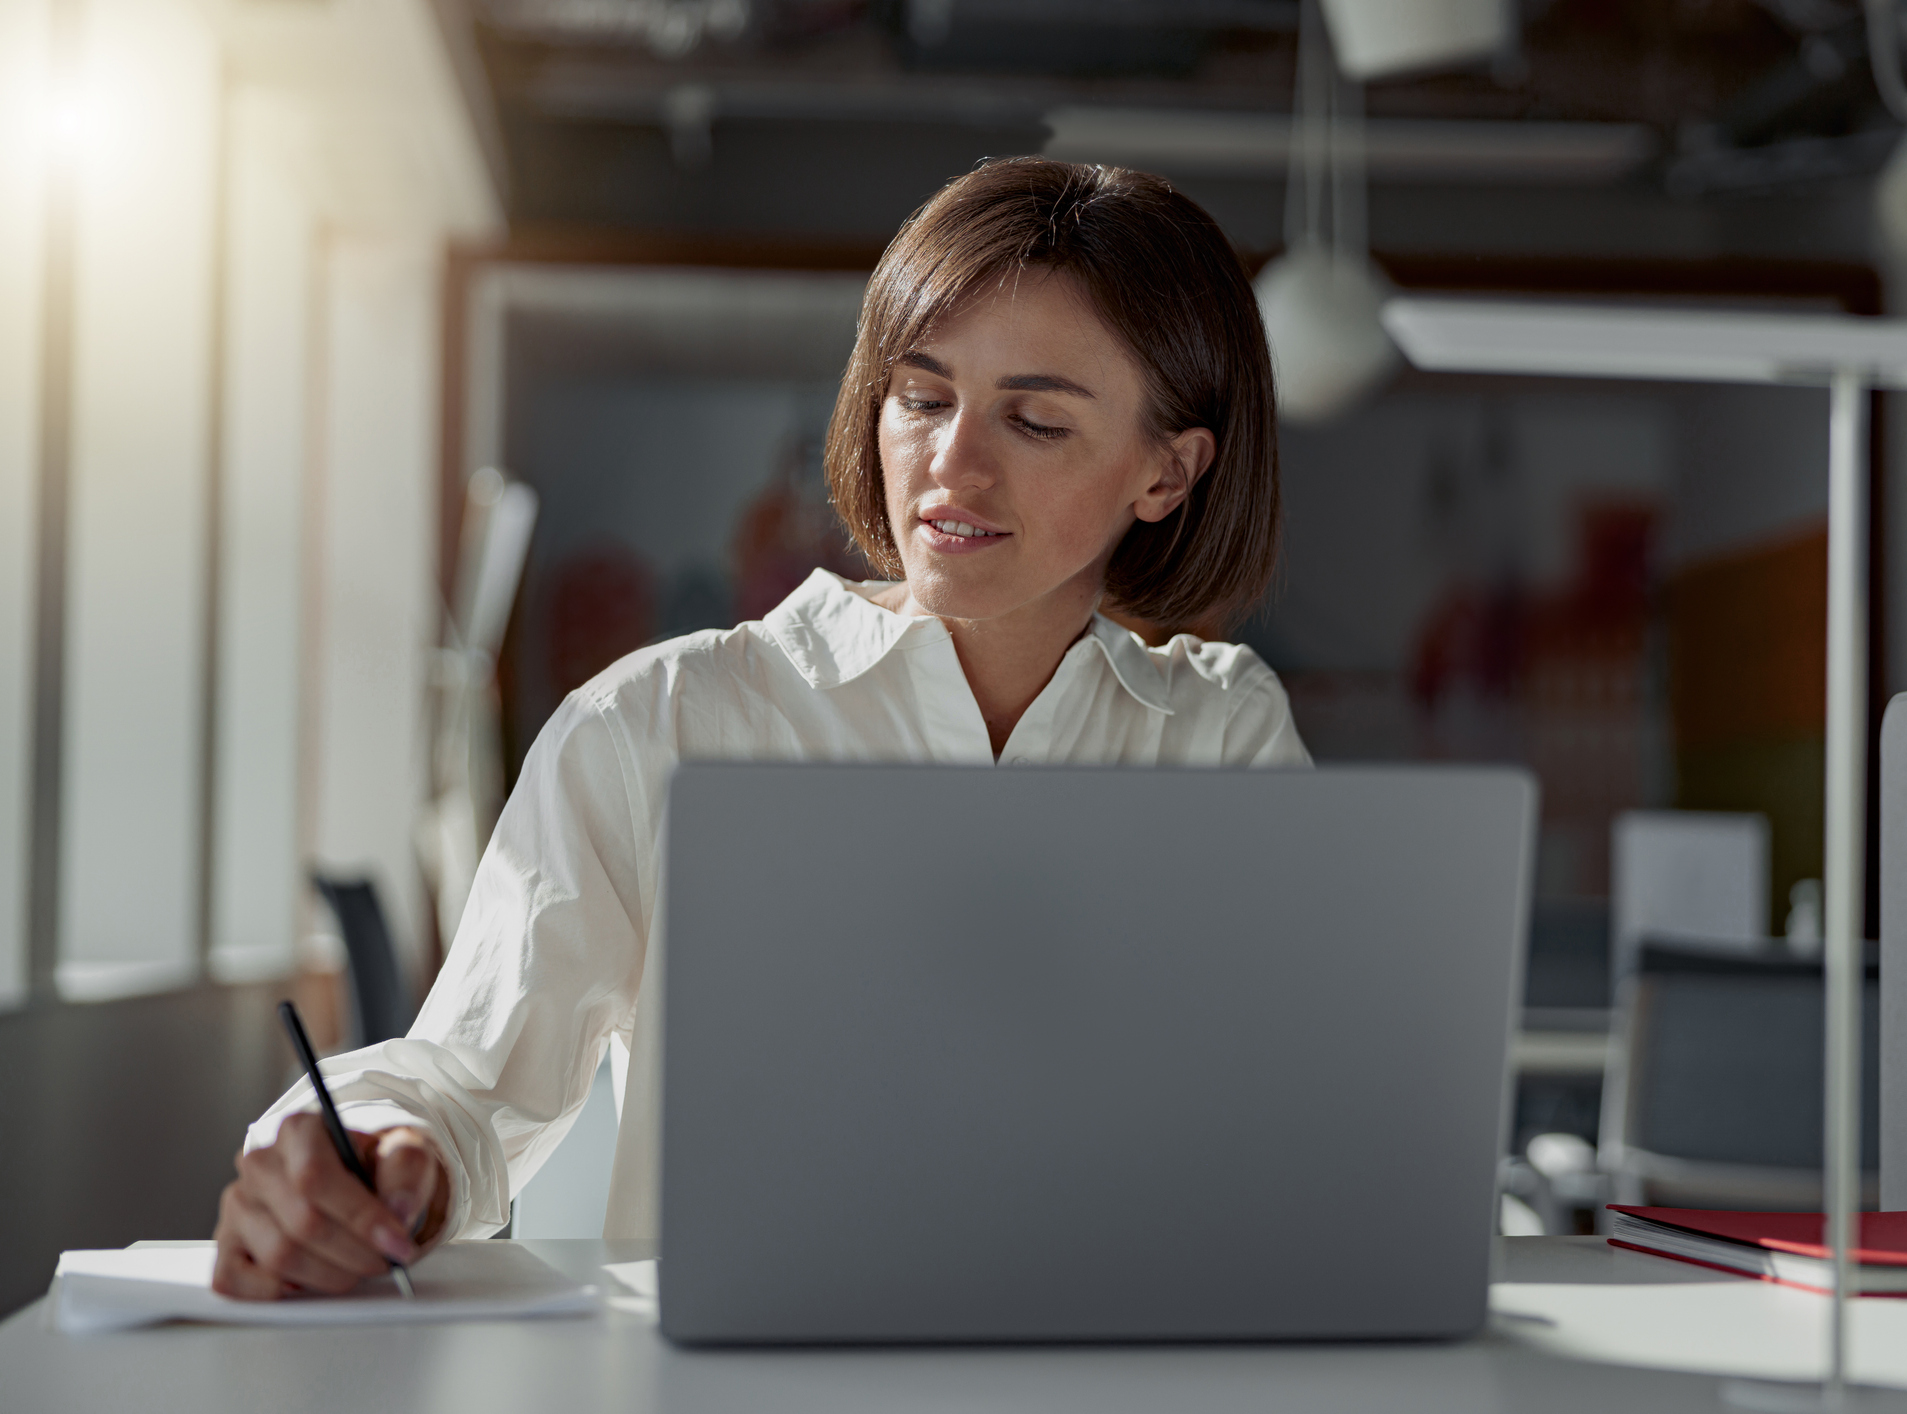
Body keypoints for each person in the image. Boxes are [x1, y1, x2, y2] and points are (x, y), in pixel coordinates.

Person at [210, 157, 1311, 1299]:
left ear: (1168, 474)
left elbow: (1292, 1108)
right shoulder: (656, 723)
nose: (949, 465)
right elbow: (466, 1076)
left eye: (1033, 419)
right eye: (922, 399)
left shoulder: (1221, 736)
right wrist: (382, 1159)